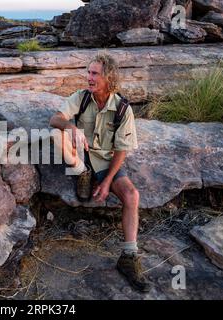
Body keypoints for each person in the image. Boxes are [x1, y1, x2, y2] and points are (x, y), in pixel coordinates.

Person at [49, 52, 150, 292]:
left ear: (109, 78)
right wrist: (71, 126)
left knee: (131, 195)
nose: (89, 77)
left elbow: (122, 150)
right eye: (88, 72)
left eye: (95, 74)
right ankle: (81, 173)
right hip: (82, 156)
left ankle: (129, 256)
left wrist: (106, 184)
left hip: (106, 163)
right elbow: (55, 119)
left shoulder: (123, 108)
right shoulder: (82, 98)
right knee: (56, 133)